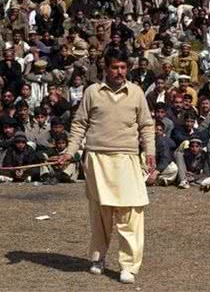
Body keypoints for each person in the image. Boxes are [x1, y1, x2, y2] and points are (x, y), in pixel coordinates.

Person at [56, 47, 155, 284]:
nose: (119, 72)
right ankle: (98, 258)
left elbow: (146, 126)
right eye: (114, 67)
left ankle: (128, 266)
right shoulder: (92, 92)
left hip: (127, 159)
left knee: (130, 212)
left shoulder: (136, 92)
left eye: (123, 68)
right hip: (97, 159)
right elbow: (79, 124)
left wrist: (150, 153)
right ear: (106, 68)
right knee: (100, 213)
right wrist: (69, 151)